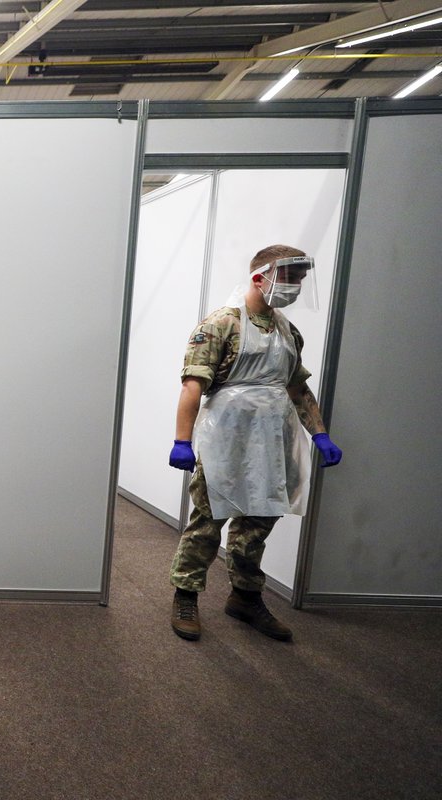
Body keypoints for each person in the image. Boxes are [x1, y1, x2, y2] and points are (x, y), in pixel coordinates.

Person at [167, 244, 342, 643]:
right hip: (226, 439)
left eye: (300, 280)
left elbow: (297, 387)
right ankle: (186, 595)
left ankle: (245, 597)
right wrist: (182, 440)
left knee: (259, 522)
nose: (295, 287)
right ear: (260, 278)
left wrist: (319, 433)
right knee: (208, 522)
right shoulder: (221, 324)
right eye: (290, 278)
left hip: (272, 440)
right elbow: (193, 385)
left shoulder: (286, 331)